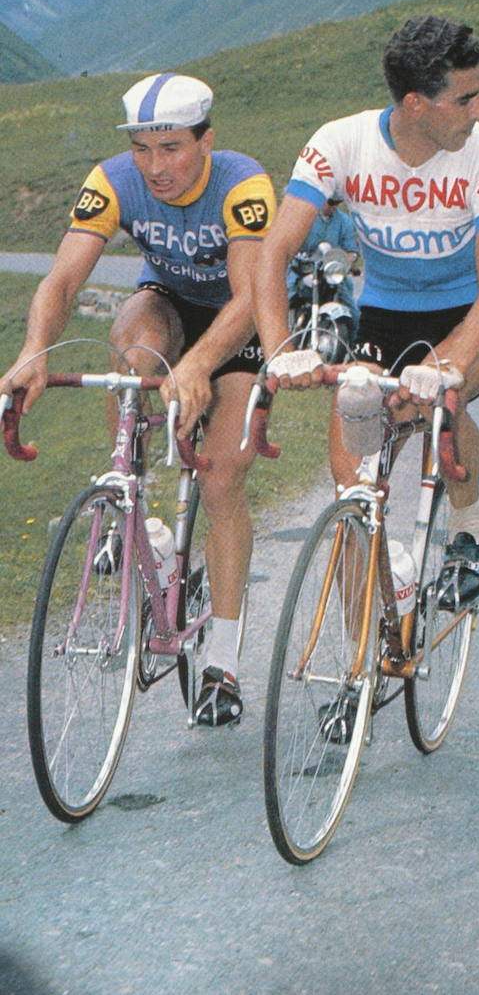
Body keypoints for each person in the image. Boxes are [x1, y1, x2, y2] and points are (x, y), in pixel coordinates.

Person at [0, 72, 276, 724]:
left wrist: (204, 363)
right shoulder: (112, 179)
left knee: (222, 481)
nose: (155, 167)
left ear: (207, 140)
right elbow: (63, 279)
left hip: (240, 325)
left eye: (173, 148)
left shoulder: (244, 184)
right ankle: (133, 505)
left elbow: (247, 297)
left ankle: (224, 667)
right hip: (170, 304)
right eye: (143, 149)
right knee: (133, 345)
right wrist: (32, 353)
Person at [253, 14, 479, 608]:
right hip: (384, 317)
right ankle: (356, 675)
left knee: (439, 399)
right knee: (353, 487)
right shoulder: (340, 142)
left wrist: (446, 363)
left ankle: (468, 532)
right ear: (417, 104)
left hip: (470, 313)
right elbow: (274, 252)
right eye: (466, 97)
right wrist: (279, 352)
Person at [286, 194, 360, 336]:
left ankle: (352, 345)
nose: (333, 207)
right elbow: (289, 242)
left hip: (330, 273)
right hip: (304, 269)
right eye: (330, 202)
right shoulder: (305, 218)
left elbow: (352, 251)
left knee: (353, 312)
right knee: (282, 301)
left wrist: (347, 260)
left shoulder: (344, 221)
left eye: (337, 203)